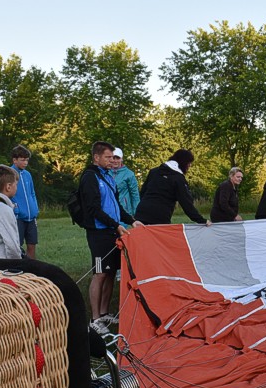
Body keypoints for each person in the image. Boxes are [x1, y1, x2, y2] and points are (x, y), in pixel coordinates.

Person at [80, 141, 143, 335]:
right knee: (99, 273)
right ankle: (94, 319)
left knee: (110, 272)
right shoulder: (89, 177)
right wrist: (114, 224)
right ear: (96, 157)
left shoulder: (107, 176)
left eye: (112, 157)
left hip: (112, 231)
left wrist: (132, 221)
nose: (111, 160)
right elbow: (93, 208)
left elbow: (117, 206)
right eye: (107, 157)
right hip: (98, 233)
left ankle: (105, 312)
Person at [134, 148, 210, 226]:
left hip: (141, 213)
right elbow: (186, 204)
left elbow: (143, 192)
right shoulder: (178, 179)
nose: (190, 166)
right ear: (184, 163)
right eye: (189, 163)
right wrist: (202, 220)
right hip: (160, 217)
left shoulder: (154, 171)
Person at [10, 144, 39, 259]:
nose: (25, 163)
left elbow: (32, 193)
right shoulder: (10, 174)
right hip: (18, 217)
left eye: (27, 160)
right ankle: (18, 267)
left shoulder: (27, 175)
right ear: (15, 160)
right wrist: (16, 209)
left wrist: (35, 209)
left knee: (32, 244)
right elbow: (8, 195)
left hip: (31, 217)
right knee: (17, 246)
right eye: (22, 160)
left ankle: (31, 267)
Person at [110, 147, 140, 226]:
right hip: (109, 210)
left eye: (118, 158)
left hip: (124, 211)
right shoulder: (105, 172)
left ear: (122, 159)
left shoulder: (129, 174)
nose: (115, 161)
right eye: (113, 158)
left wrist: (136, 213)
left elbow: (134, 194)